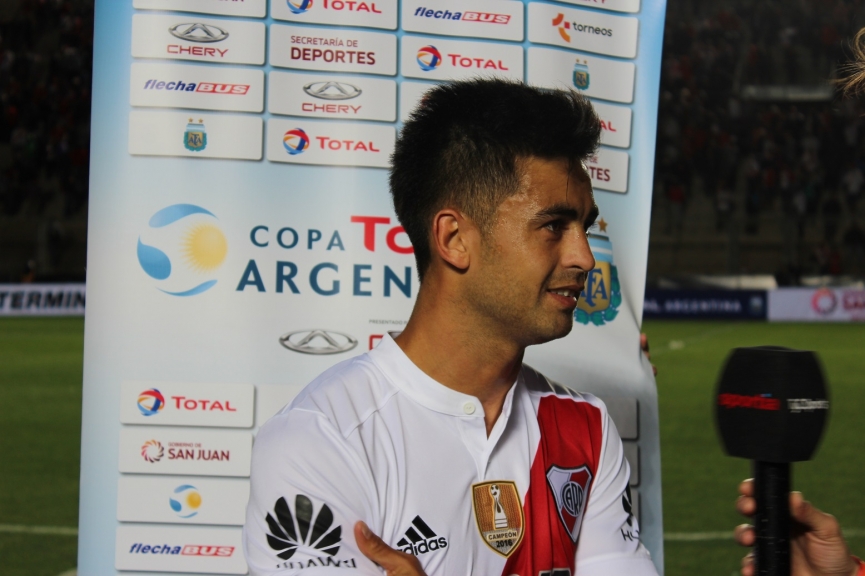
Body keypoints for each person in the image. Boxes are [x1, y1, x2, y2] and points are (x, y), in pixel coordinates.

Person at [243, 79, 658, 575]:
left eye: (584, 228)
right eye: (553, 226)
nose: (584, 257)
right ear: (454, 238)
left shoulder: (586, 427)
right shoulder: (320, 438)